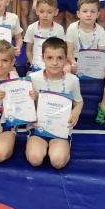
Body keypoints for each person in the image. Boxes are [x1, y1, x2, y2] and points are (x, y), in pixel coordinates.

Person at [26, 38, 83, 169]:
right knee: (35, 159)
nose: (55, 63)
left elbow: (79, 102)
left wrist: (76, 111)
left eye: (60, 58)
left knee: (57, 162)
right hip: (38, 127)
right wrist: (31, 101)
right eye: (50, 58)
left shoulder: (72, 80)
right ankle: (35, 143)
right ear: (43, 58)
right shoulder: (33, 78)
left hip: (61, 128)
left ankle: (62, 146)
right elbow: (24, 106)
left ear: (66, 59)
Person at [65, 0, 105, 125]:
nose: (88, 15)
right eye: (85, 11)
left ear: (98, 14)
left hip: (95, 61)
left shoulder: (100, 31)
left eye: (92, 11)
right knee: (65, 70)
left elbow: (102, 54)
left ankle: (103, 107)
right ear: (78, 13)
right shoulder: (72, 28)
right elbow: (68, 52)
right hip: (76, 59)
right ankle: (66, 105)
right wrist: (72, 62)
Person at [24, 0, 65, 73]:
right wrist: (33, 64)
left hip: (53, 64)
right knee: (29, 75)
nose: (45, 15)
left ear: (56, 12)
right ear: (36, 11)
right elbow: (28, 51)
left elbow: (62, 51)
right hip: (35, 64)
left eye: (49, 12)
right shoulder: (32, 28)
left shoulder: (59, 29)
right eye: (42, 11)